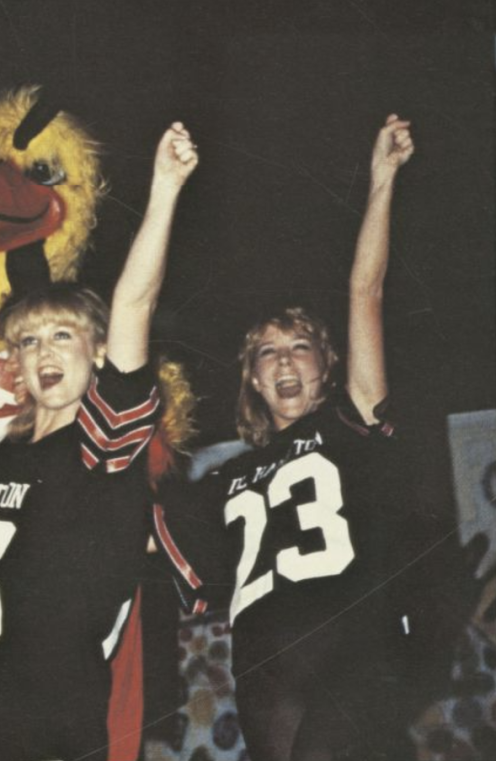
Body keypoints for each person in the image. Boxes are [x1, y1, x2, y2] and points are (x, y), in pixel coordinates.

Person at [154, 115, 418, 760]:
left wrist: (382, 178)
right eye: (268, 352)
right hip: (264, 660)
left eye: (300, 347)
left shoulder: (348, 422)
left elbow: (366, 289)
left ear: (325, 367)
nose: (284, 361)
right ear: (252, 379)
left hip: (352, 640)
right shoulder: (222, 480)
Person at [0, 122, 199, 761]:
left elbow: (133, 304)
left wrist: (163, 188)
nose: (42, 351)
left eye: (62, 336)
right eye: (28, 340)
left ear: (99, 354)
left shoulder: (103, 443)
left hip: (50, 719)